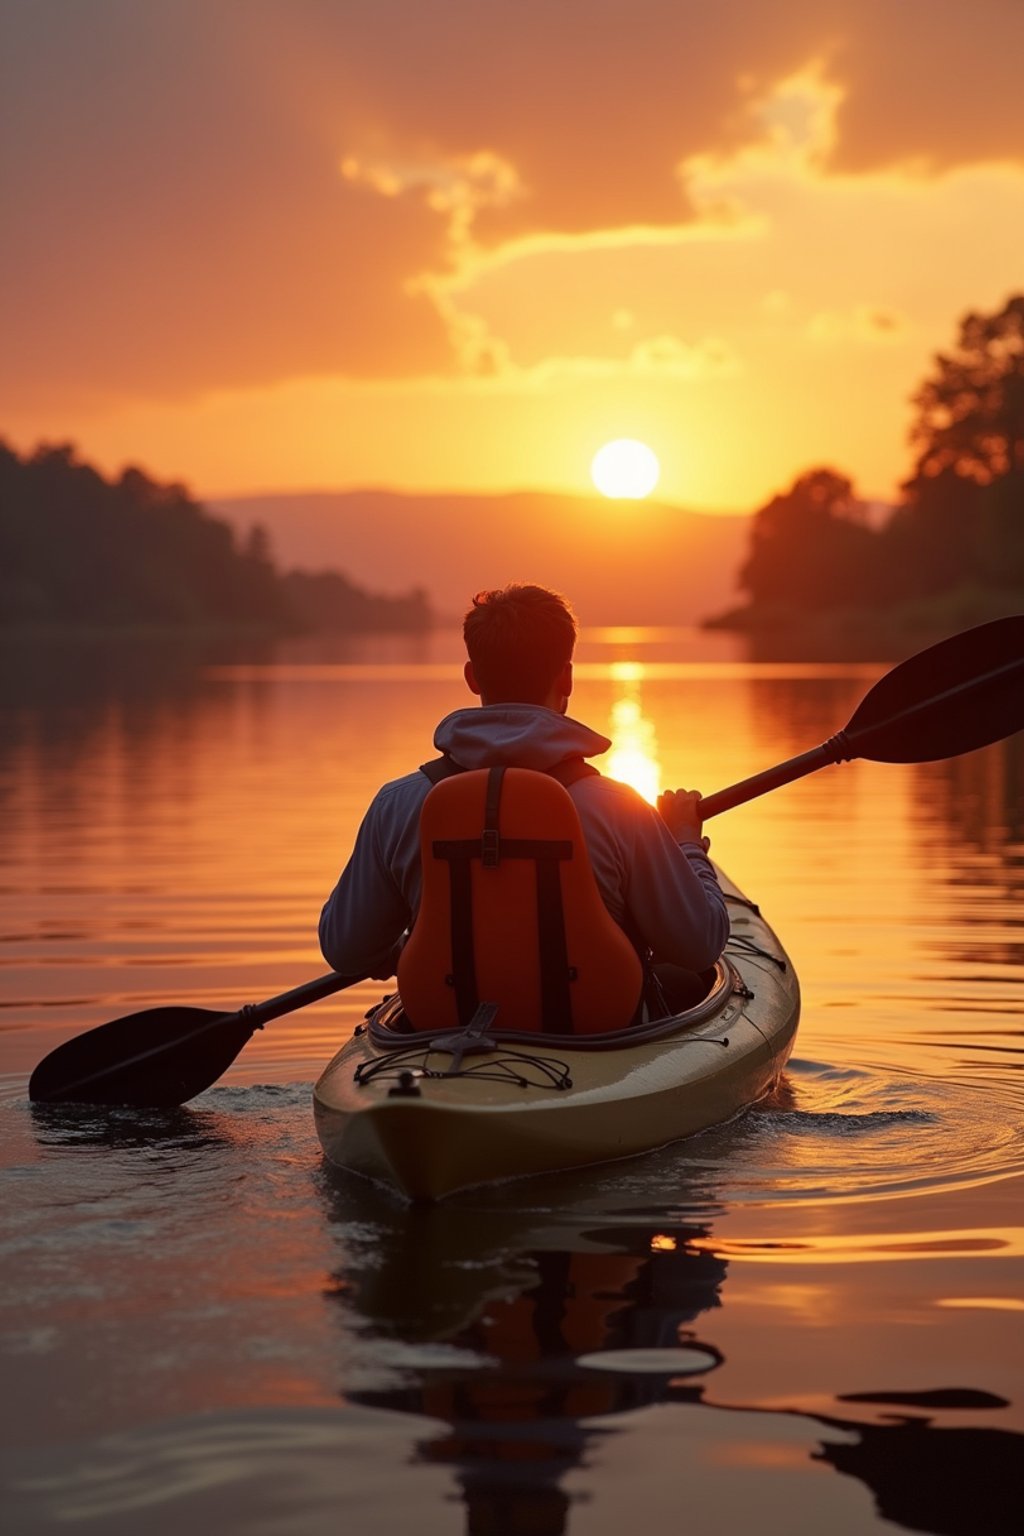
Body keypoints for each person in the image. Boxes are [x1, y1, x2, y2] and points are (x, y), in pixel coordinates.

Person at [319, 584, 729, 1011]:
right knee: (688, 978)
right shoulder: (618, 807)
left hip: (446, 1034)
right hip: (594, 1033)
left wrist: (407, 951)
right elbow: (700, 945)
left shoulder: (398, 804)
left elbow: (346, 950)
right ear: (566, 676)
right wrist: (685, 844)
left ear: (472, 677)